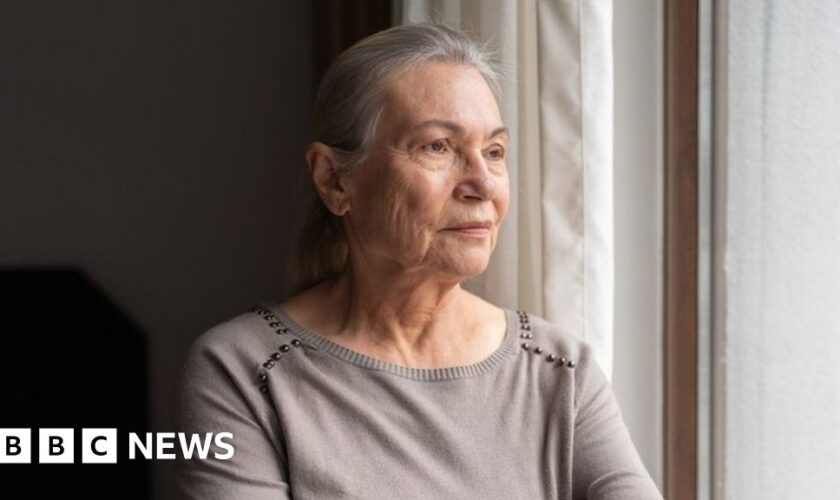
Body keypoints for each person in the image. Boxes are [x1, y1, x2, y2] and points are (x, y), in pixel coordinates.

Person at [176, 23, 663, 500]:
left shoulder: (560, 370)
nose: (483, 184)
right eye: (438, 147)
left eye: (494, 152)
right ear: (335, 181)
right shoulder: (244, 370)